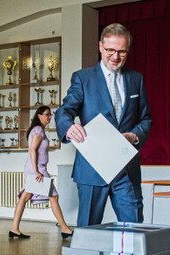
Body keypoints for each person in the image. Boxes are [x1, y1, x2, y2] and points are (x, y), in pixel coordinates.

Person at [55, 23, 152, 227]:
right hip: (91, 169)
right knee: (88, 234)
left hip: (126, 169)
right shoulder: (83, 78)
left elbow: (145, 119)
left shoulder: (136, 80)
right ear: (100, 46)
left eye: (122, 52)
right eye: (110, 50)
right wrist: (68, 126)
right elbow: (64, 111)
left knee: (134, 231)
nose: (115, 57)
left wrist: (133, 136)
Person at [9, 106, 74, 239]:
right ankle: (64, 229)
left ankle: (14, 228)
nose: (49, 117)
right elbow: (32, 150)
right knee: (53, 196)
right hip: (36, 169)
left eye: (50, 115)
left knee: (25, 196)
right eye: (47, 114)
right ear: (39, 116)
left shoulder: (38, 130)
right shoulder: (38, 130)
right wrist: (37, 171)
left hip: (36, 168)